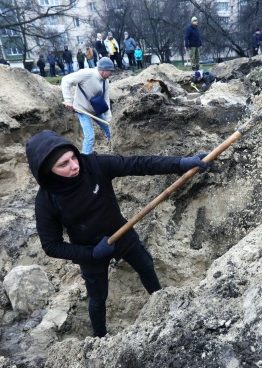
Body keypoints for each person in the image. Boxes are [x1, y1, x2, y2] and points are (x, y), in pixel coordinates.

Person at [24, 129, 212, 338]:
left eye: (73, 157)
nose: (74, 166)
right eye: (63, 164)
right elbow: (51, 246)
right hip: (89, 250)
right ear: (48, 171)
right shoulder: (46, 201)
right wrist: (92, 253)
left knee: (146, 266)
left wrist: (180, 164)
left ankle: (162, 303)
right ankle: (99, 337)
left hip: (120, 232)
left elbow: (138, 164)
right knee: (97, 298)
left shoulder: (93, 165)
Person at [61, 57, 114, 154]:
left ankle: (115, 149)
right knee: (90, 136)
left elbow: (106, 99)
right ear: (103, 70)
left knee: (110, 129)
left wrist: (108, 118)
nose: (111, 74)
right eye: (110, 71)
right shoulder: (87, 74)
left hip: (96, 109)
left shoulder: (105, 81)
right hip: (82, 109)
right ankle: (85, 160)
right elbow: (66, 80)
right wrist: (68, 100)